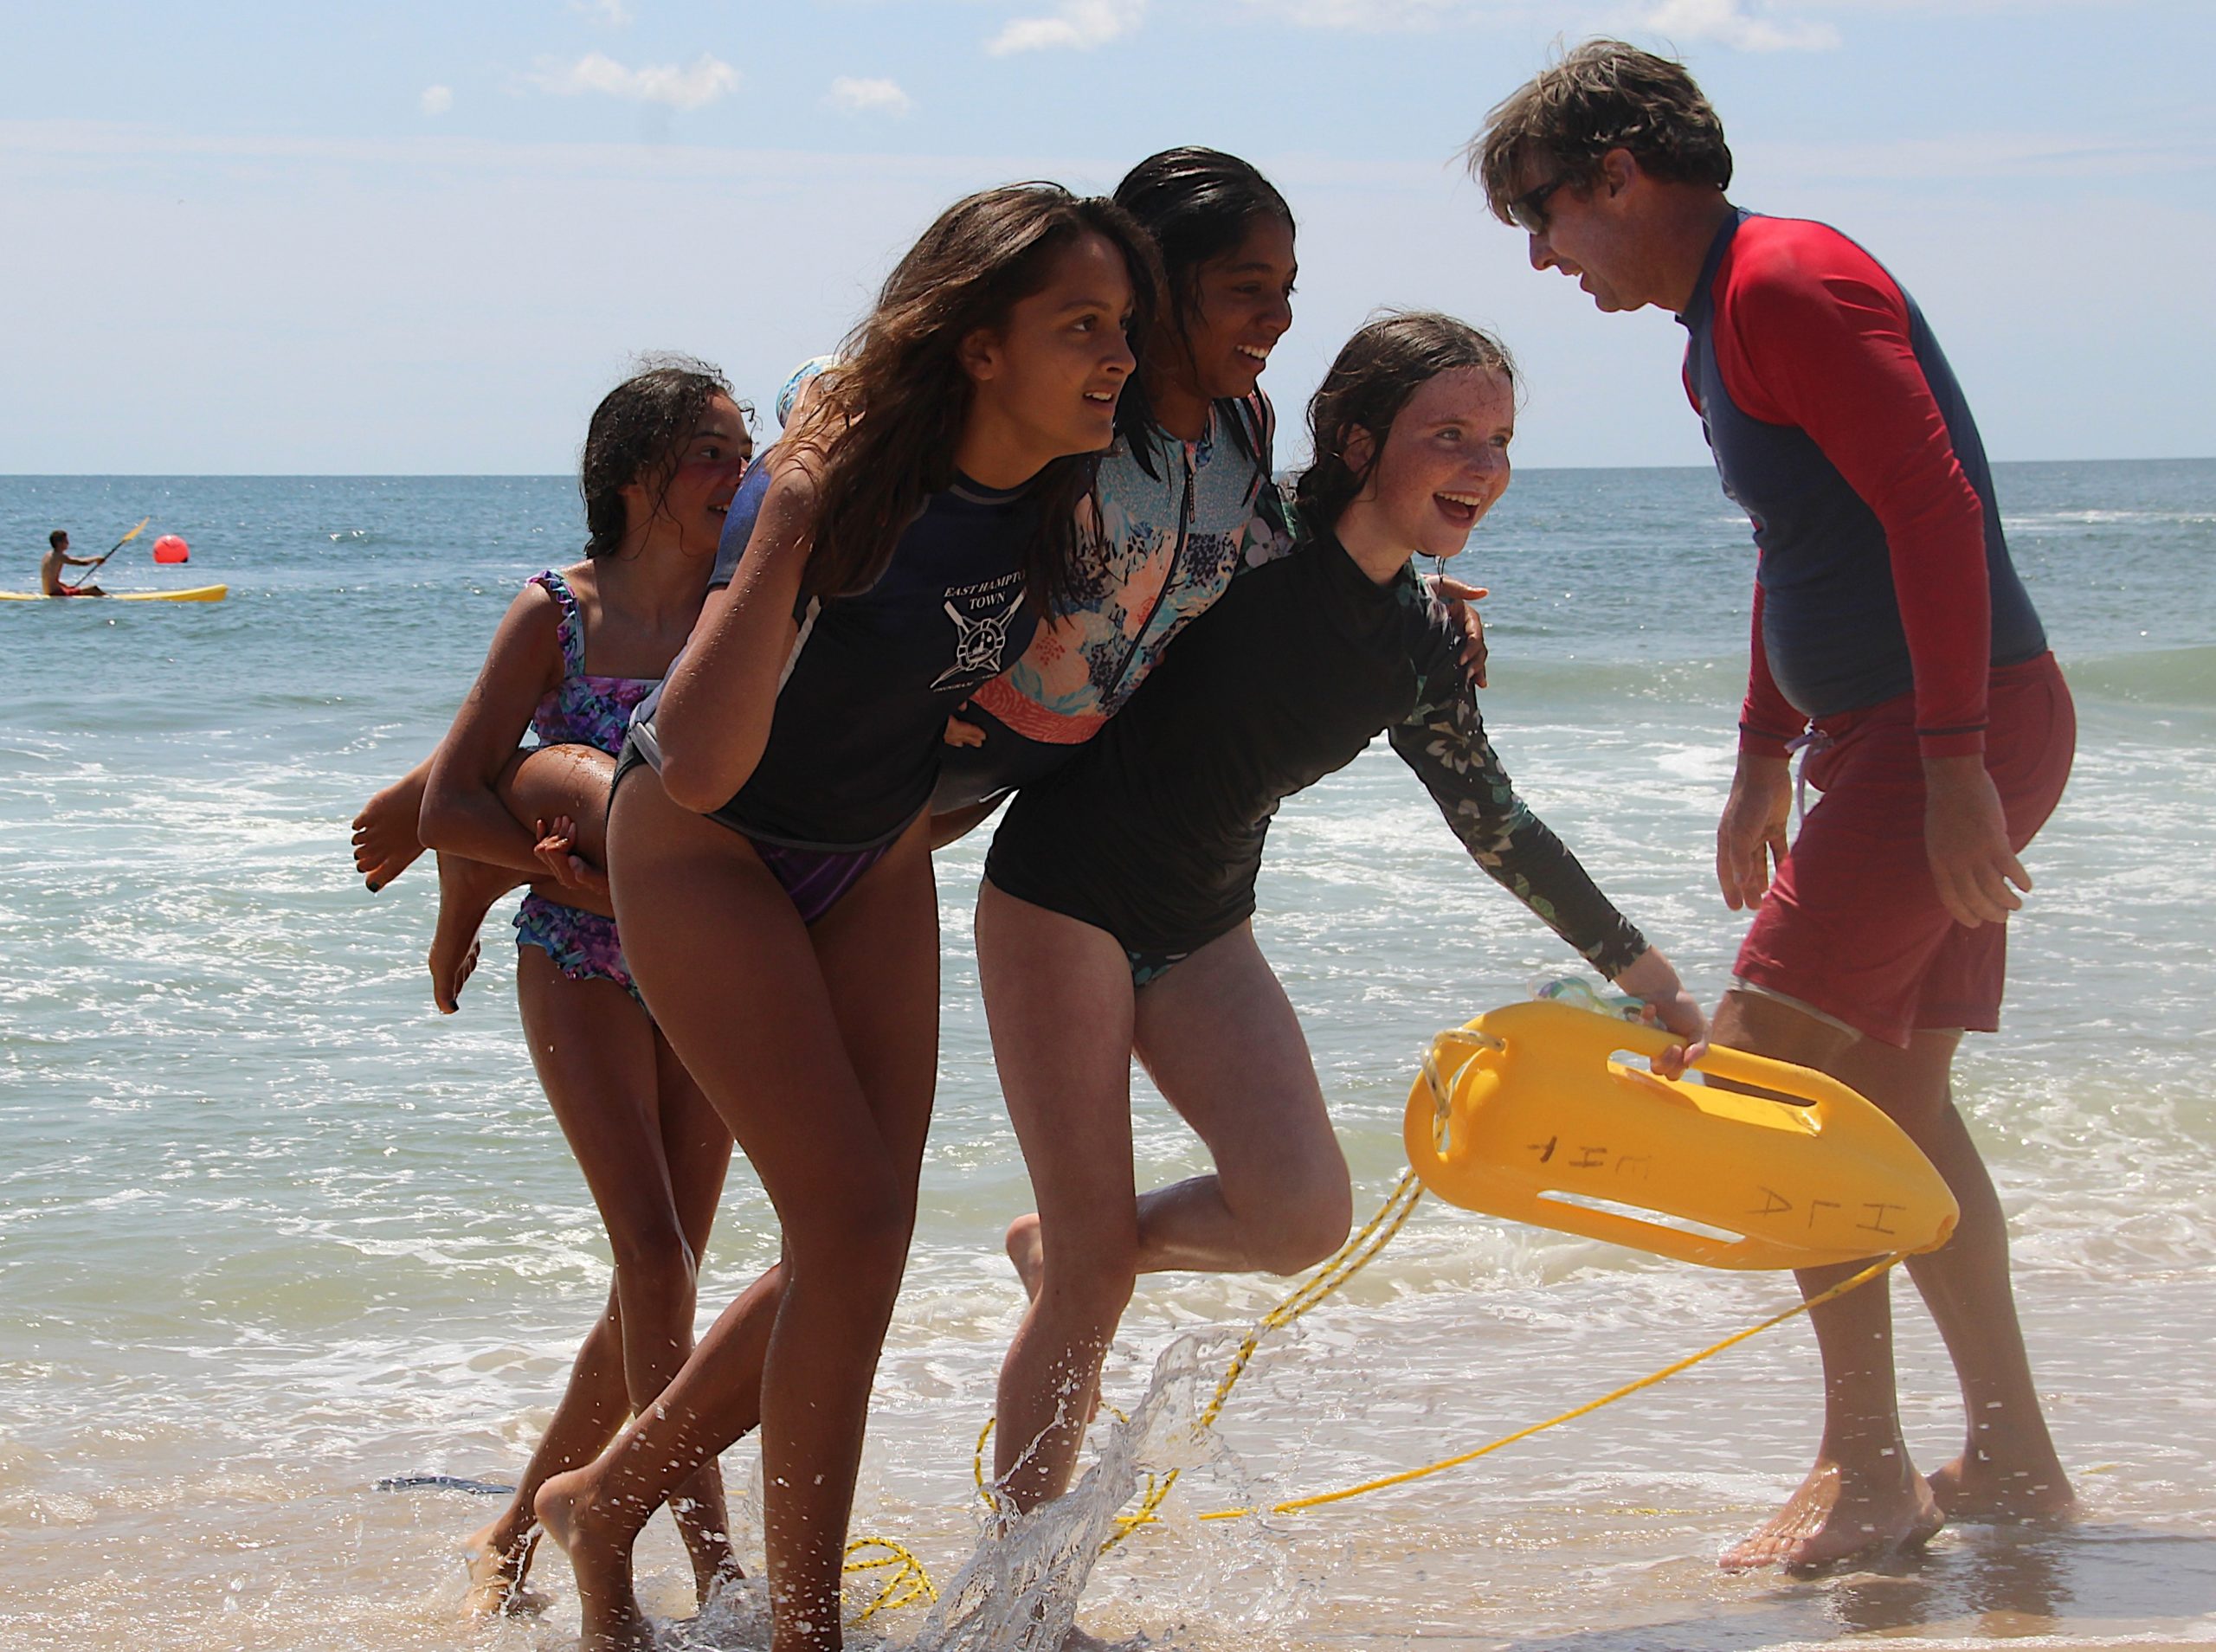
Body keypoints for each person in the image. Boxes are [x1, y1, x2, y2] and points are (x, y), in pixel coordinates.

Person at [531, 182, 1163, 1652]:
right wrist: (794, 528)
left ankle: (607, 1500)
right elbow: (692, 757)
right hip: (705, 848)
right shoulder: (838, 485)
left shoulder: (1058, 489)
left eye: (1124, 325)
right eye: (1081, 325)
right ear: (981, 342)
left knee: (858, 1238)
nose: (1116, 356)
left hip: (869, 854)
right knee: (856, 1214)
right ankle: (800, 1629)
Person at [1471, 40, 2077, 1572]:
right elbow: (1802, 536)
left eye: (1544, 217)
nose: (1544, 258)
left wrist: (1949, 768)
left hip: (1946, 733)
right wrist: (1761, 745)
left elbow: (1936, 504)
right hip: (1906, 733)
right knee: (1899, 1106)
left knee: (1761, 1088)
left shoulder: (1784, 284)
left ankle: (1867, 1464)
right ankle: (2009, 1451)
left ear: (1618, 173)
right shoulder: (1717, 321)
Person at [976, 312, 1704, 1516]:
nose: (1483, 465)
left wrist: (1655, 978)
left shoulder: (1415, 643)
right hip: (1066, 896)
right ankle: (1021, 1605)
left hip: (1204, 921)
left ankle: (1066, 1252)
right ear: (1360, 442)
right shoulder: (1241, 542)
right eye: (1450, 434)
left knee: (1299, 1211)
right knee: (1096, 1282)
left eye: (1502, 441)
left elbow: (1497, 823)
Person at [410, 360, 752, 1613]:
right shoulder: (556, 612)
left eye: (740, 446)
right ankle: (713, 1564)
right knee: (656, 1264)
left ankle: (516, 1529)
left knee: (658, 1286)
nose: (738, 471)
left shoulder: (737, 608)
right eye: (712, 452)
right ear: (634, 476)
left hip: (704, 966)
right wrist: (550, 873)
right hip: (580, 961)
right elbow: (454, 797)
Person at [929, 147, 1301, 838]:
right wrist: (898, 678)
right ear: (1156, 278)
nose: (1279, 316)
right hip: (929, 751)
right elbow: (872, 428)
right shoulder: (1071, 410)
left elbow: (1288, 551)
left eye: (1287, 288)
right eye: (1247, 287)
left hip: (1048, 777)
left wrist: (1415, 597)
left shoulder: (1248, 425)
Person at [40, 530, 107, 597]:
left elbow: (52, 579)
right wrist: (97, 559)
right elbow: (83, 563)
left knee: (83, 589)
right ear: (59, 543)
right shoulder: (59, 556)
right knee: (93, 589)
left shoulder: (48, 555)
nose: (68, 543)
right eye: (66, 541)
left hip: (50, 591)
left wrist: (66, 587)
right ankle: (110, 599)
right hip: (57, 593)